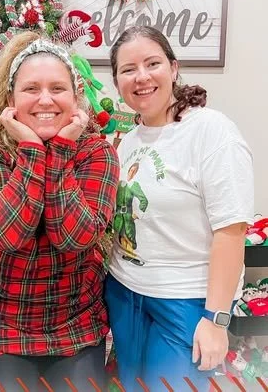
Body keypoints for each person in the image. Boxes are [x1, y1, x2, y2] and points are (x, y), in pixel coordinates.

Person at [0, 31, 119, 392]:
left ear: (75, 97)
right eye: (31, 89)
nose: (45, 99)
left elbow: (75, 237)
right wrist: (30, 148)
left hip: (73, 322)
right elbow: (6, 234)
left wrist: (59, 153)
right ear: (10, 99)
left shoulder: (96, 153)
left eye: (58, 88)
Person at [105, 25, 254, 391]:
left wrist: (216, 319)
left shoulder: (211, 132)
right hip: (125, 293)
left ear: (173, 68)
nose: (141, 77)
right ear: (117, 81)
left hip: (186, 300)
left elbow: (231, 230)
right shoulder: (128, 140)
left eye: (152, 63)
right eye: (128, 69)